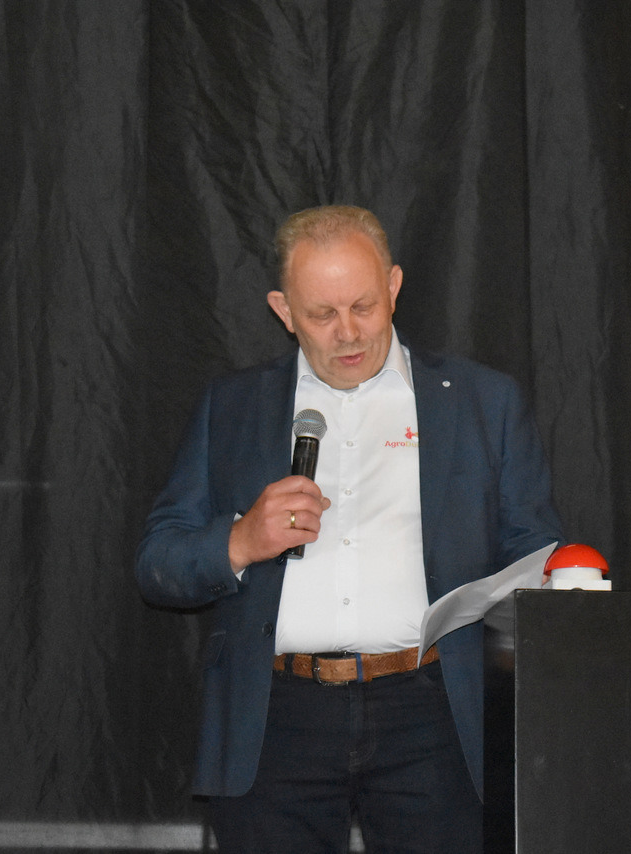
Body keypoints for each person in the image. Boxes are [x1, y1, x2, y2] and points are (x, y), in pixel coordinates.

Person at [135, 205, 563, 853]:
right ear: (283, 311)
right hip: (276, 720)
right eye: (321, 314)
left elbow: (536, 553)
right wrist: (240, 542)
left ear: (394, 286)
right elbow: (157, 563)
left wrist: (544, 587)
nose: (348, 332)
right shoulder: (234, 406)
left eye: (363, 305)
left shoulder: (484, 402)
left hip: (434, 716)